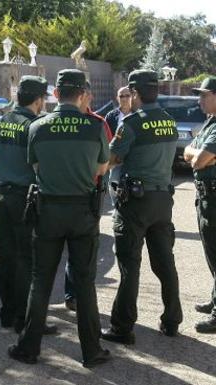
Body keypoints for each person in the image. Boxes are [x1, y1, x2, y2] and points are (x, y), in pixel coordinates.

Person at [8, 69, 111, 368]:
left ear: (55, 94)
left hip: (48, 211)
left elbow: (36, 168)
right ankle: (91, 352)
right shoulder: (95, 127)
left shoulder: (38, 127)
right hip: (82, 212)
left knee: (40, 282)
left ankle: (28, 348)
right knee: (84, 283)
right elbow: (102, 169)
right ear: (82, 95)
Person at [102, 70, 182, 345]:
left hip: (135, 203)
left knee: (129, 266)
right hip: (163, 201)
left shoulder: (133, 123)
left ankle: (122, 328)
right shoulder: (170, 122)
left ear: (135, 93)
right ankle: (172, 321)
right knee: (165, 263)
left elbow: (111, 159)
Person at [0, 75, 57, 335]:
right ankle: (24, 318)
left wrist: (8, 170)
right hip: (26, 199)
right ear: (38, 100)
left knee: (6, 257)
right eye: (43, 100)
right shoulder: (34, 126)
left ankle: (7, 313)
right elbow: (40, 166)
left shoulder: (2, 122)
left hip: (3, 197)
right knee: (28, 260)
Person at [64, 81, 113, 312]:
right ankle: (72, 293)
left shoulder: (99, 124)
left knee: (84, 251)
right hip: (63, 193)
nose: (87, 98)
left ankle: (79, 295)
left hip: (88, 195)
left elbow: (106, 162)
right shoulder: (60, 122)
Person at [183, 76, 216, 333]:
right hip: (206, 197)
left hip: (214, 198)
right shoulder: (209, 123)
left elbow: (198, 160)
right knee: (211, 253)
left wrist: (196, 155)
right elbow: (187, 151)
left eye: (205, 95)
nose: (200, 99)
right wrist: (196, 154)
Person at [106, 87, 133, 203]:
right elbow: (107, 136)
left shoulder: (138, 114)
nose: (125, 98)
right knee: (113, 181)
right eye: (122, 96)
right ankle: (116, 205)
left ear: (132, 97)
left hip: (134, 156)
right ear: (117, 98)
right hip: (117, 157)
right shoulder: (111, 116)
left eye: (127, 95)